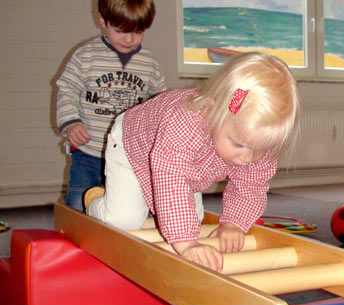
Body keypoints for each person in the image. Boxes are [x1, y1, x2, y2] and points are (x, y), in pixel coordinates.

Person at [85, 52, 300, 272]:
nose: (247, 157)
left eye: (259, 149)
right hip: (133, 144)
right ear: (212, 111)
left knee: (192, 222)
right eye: (238, 144)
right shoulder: (185, 124)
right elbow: (173, 180)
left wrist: (234, 223)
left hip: (187, 164)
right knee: (124, 221)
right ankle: (95, 200)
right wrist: (186, 243)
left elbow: (251, 184)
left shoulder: (255, 138)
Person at [56, 0, 166, 211]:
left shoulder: (149, 63)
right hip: (89, 150)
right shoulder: (86, 55)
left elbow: (158, 103)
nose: (128, 39)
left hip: (128, 153)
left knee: (125, 205)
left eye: (137, 32)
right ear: (102, 20)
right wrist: (71, 123)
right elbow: (67, 89)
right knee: (78, 201)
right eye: (120, 31)